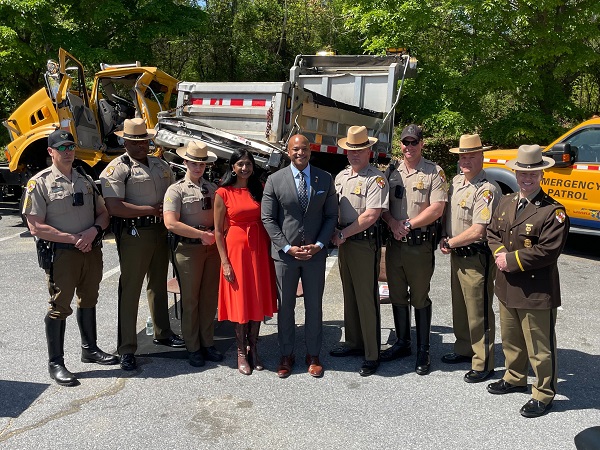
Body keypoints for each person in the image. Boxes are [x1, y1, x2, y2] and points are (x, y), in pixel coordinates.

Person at [23, 130, 118, 386]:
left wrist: (93, 232)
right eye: (62, 147)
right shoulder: (39, 183)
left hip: (90, 250)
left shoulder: (85, 179)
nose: (68, 152)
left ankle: (90, 349)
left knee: (89, 298)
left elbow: (103, 213)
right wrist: (74, 238)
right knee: (59, 306)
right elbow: (35, 226)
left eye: (71, 146)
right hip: (62, 254)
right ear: (50, 152)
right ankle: (56, 363)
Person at [486, 144, 569, 418]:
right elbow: (492, 233)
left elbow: (547, 251)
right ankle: (514, 377)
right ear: (516, 173)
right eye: (522, 172)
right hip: (507, 285)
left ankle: (544, 393)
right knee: (511, 338)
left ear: (542, 175)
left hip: (535, 289)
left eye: (532, 174)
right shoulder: (506, 201)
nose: (526, 178)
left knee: (539, 347)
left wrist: (509, 260)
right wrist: (500, 255)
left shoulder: (553, 212)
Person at [100, 118, 184, 371]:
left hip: (160, 230)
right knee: (131, 289)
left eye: (144, 141)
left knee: (158, 283)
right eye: (135, 142)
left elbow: (173, 194)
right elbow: (114, 206)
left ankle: (162, 332)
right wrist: (150, 209)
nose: (140, 146)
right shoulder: (117, 168)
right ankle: (126, 347)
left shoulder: (161, 165)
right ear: (125, 141)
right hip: (134, 233)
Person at [261, 134, 338, 378]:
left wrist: (318, 244)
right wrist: (286, 247)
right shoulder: (274, 180)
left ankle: (313, 355)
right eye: (295, 149)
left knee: (314, 306)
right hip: (286, 256)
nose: (300, 153)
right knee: (286, 307)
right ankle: (286, 354)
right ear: (288, 151)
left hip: (315, 254)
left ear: (310, 151)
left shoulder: (324, 178)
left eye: (304, 149)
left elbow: (330, 216)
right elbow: (268, 218)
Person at [379, 124, 447, 375]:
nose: (409, 147)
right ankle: (402, 343)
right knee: (397, 295)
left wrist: (407, 224)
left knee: (419, 297)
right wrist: (392, 223)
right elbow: (382, 204)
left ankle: (423, 349)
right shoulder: (391, 171)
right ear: (401, 145)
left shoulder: (433, 172)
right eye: (405, 143)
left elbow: (437, 207)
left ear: (422, 144)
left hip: (419, 246)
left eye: (414, 142)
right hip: (395, 244)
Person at [439, 134, 500, 383]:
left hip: (476, 257)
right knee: (461, 308)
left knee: (479, 311)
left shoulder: (487, 189)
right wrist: (444, 236)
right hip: (457, 255)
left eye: (471, 156)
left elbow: (479, 229)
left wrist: (449, 242)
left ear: (482, 157)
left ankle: (483, 361)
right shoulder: (456, 183)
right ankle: (465, 348)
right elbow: (448, 216)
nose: (466, 161)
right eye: (463, 156)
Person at [329, 125, 389, 377]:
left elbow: (372, 215)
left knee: (366, 297)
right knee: (350, 293)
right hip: (345, 242)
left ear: (369, 151)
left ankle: (372, 353)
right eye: (350, 150)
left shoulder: (375, 178)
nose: (354, 154)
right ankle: (354, 342)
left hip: (363, 243)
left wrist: (342, 234)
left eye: (360, 150)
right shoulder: (341, 177)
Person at [214, 149, 277, 375]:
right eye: (240, 164)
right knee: (241, 301)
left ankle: (254, 349)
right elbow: (219, 232)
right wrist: (225, 262)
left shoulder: (258, 189)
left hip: (259, 250)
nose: (244, 168)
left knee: (257, 299)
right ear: (232, 167)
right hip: (237, 251)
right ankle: (241, 351)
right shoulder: (223, 193)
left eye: (248, 164)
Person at [163, 141, 222, 368]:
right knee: (191, 300)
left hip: (211, 249)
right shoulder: (176, 189)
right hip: (188, 250)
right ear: (185, 162)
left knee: (209, 299)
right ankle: (193, 346)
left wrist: (214, 234)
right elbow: (170, 223)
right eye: (194, 163)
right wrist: (200, 235)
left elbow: (220, 217)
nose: (198, 168)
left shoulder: (212, 188)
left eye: (202, 164)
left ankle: (207, 343)